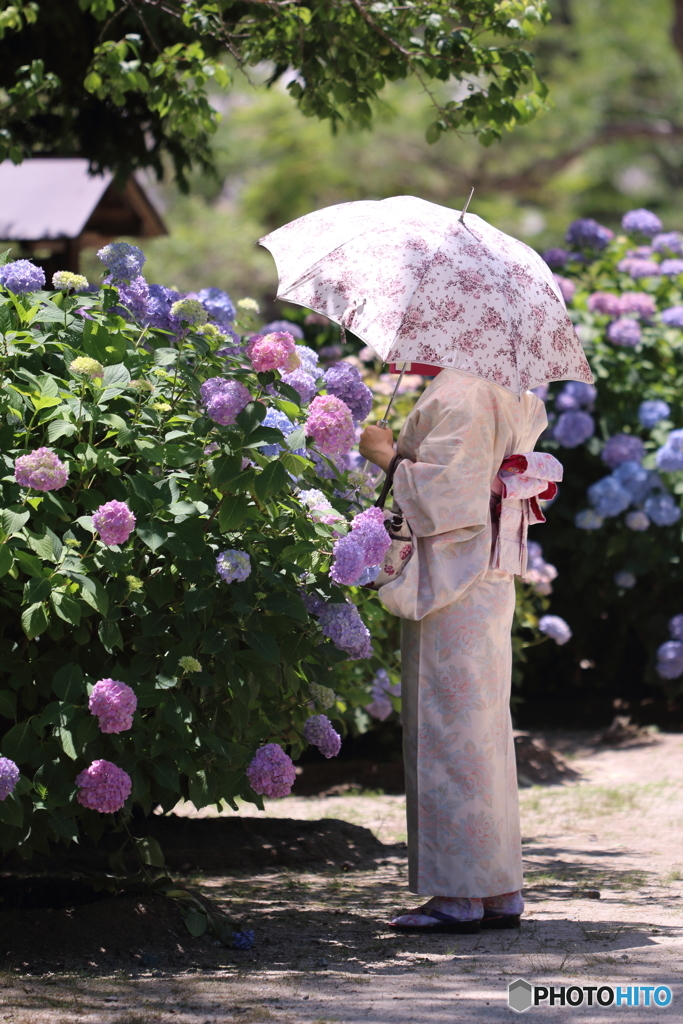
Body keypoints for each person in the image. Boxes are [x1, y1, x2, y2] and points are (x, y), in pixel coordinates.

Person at [358, 367, 550, 934]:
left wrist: (385, 455)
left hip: (456, 575)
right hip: (489, 571)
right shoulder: (509, 387)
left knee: (446, 727)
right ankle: (497, 890)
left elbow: (448, 495)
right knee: (482, 731)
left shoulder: (464, 389)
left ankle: (458, 897)